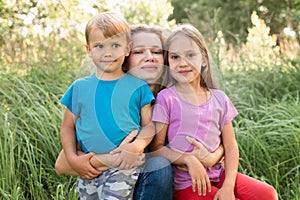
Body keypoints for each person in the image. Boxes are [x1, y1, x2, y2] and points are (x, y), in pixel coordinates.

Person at [55, 23, 225, 200]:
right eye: (139, 52)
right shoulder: (113, 102)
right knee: (160, 165)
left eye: (157, 52)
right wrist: (115, 158)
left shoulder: (177, 98)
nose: (149, 57)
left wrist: (214, 156)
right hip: (121, 186)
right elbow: (62, 165)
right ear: (125, 57)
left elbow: (221, 140)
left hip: (187, 184)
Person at [150, 24, 278, 200]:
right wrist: (188, 159)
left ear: (203, 59)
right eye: (175, 57)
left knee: (268, 194)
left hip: (219, 175)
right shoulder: (167, 98)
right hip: (188, 183)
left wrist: (228, 186)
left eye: (190, 55)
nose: (183, 63)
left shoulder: (219, 98)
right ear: (168, 62)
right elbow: (156, 148)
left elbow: (231, 145)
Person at [59, 12, 156, 199]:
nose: (108, 52)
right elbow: (67, 127)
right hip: (88, 167)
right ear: (88, 49)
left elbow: (149, 125)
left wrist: (138, 145)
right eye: (99, 46)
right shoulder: (79, 87)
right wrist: (73, 159)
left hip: (122, 167)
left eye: (115, 45)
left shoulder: (138, 87)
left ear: (127, 49)